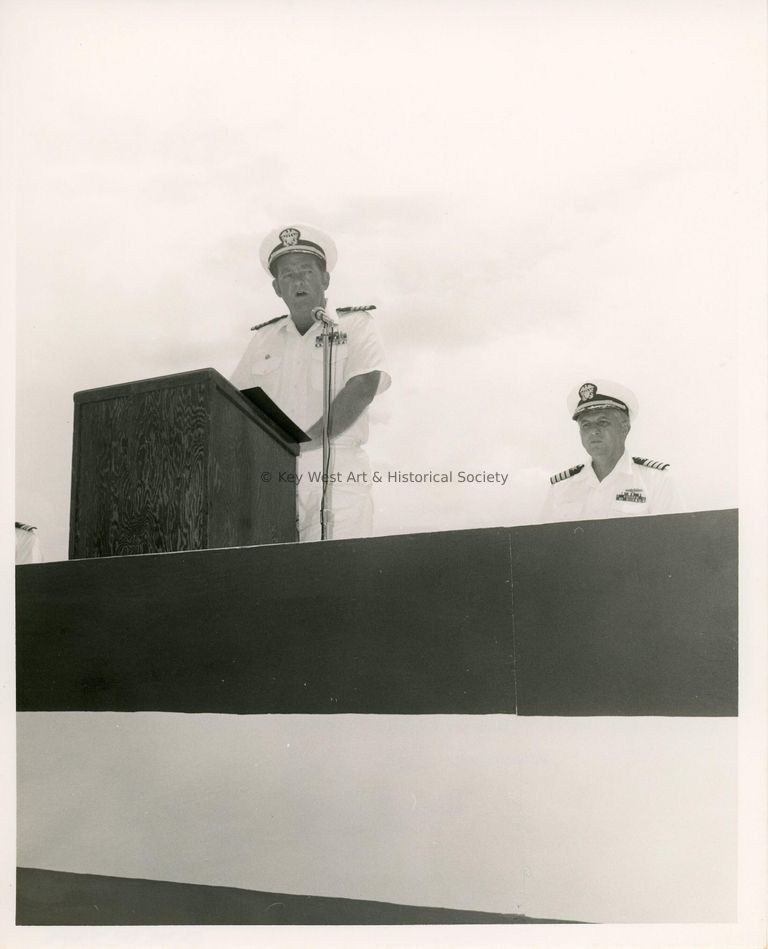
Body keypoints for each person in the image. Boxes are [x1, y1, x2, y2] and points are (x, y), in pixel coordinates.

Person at [230, 223, 391, 541]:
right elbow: (235, 404)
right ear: (277, 288)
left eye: (306, 272)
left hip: (336, 469)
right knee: (278, 575)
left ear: (325, 279)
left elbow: (363, 385)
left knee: (336, 573)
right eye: (288, 275)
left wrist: (306, 441)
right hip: (273, 474)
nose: (298, 282)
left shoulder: (355, 325)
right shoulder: (264, 339)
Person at [540, 379, 682, 523]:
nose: (594, 431)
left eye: (603, 422)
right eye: (586, 425)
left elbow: (675, 540)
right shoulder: (561, 488)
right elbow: (545, 543)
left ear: (625, 428)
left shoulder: (656, 481)